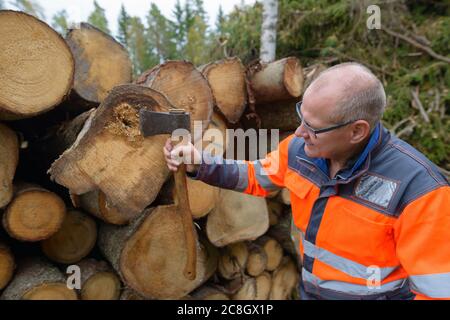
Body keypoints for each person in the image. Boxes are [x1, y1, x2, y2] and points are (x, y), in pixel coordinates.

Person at [163, 62, 450, 300]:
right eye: (301, 115)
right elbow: (256, 177)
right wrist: (199, 162)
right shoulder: (300, 150)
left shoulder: (421, 190)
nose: (299, 132)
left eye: (313, 128)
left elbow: (437, 293)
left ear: (356, 131)